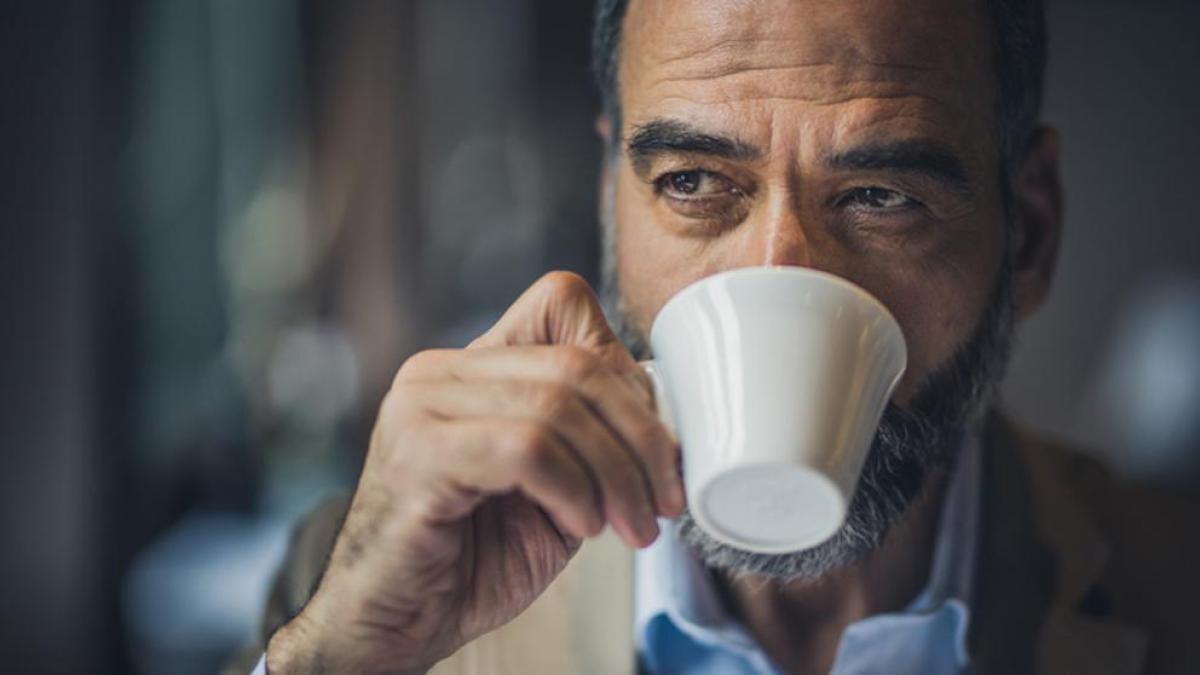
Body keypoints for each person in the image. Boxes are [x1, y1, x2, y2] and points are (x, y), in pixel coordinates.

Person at [238, 0, 1200, 673]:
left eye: (881, 196)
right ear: (614, 199)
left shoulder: (1177, 593)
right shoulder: (369, 583)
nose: (776, 277)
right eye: (694, 181)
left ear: (1027, 232)